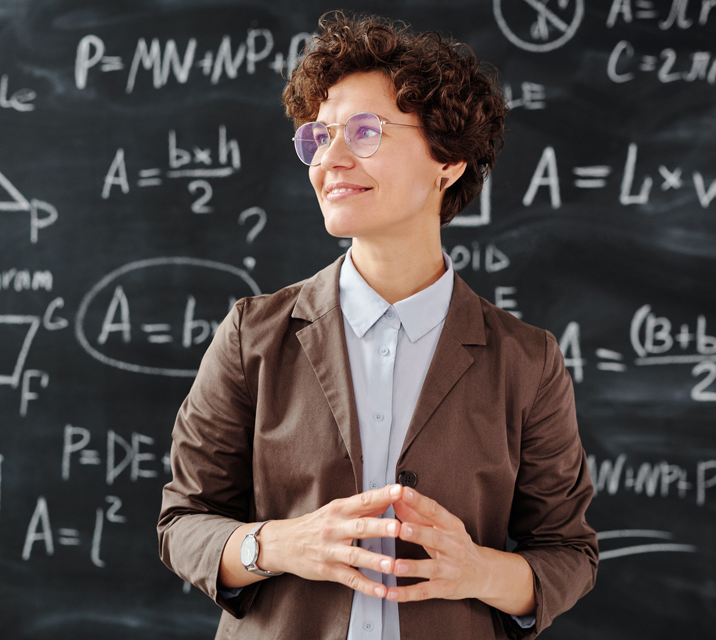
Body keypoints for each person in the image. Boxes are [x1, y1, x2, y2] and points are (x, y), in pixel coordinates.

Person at [158, 10, 597, 639]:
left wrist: (476, 571)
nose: (329, 159)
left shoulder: (526, 361)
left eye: (364, 132)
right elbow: (183, 523)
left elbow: (569, 554)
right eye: (319, 135)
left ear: (449, 162)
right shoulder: (253, 335)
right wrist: (284, 545)